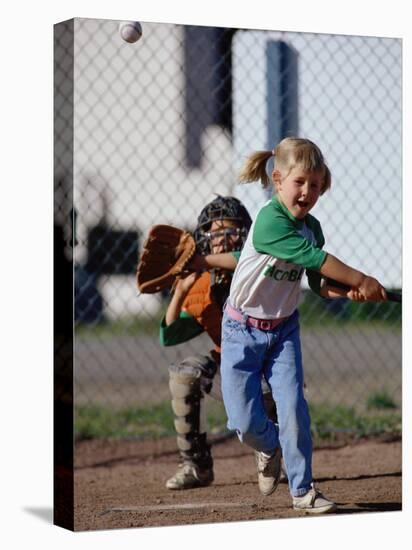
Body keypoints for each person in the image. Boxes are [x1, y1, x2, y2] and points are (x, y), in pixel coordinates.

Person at [220, 137, 387, 514]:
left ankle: (303, 490)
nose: (307, 191)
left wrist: (348, 292)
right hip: (240, 330)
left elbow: (318, 282)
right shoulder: (269, 222)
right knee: (243, 421)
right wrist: (360, 278)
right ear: (278, 181)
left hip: (282, 332)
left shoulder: (312, 227)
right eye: (299, 182)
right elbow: (316, 258)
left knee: (294, 406)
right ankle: (268, 446)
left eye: (314, 184)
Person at [160, 195, 279, 490]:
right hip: (229, 367)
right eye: (215, 234)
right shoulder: (201, 283)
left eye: (231, 233)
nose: (222, 240)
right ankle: (196, 465)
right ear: (204, 239)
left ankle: (275, 453)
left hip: (266, 370)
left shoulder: (256, 268)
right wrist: (180, 289)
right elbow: (169, 335)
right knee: (184, 373)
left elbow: (240, 259)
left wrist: (202, 261)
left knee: (268, 393)